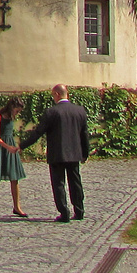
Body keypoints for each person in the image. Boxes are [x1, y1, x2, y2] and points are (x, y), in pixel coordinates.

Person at [18, 83, 89, 222]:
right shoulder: (79, 111)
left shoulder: (51, 112)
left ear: (57, 94)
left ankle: (64, 212)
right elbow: (84, 134)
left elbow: (38, 132)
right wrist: (85, 153)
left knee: (59, 184)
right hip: (74, 153)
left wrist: (22, 145)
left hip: (57, 153)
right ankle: (79, 210)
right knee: (75, 182)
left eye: (53, 95)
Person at [0, 96, 28, 217]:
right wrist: (7, 146)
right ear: (12, 107)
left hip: (10, 145)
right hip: (0, 147)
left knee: (14, 177)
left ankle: (17, 207)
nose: (17, 113)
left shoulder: (11, 117)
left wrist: (13, 146)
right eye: (17, 110)